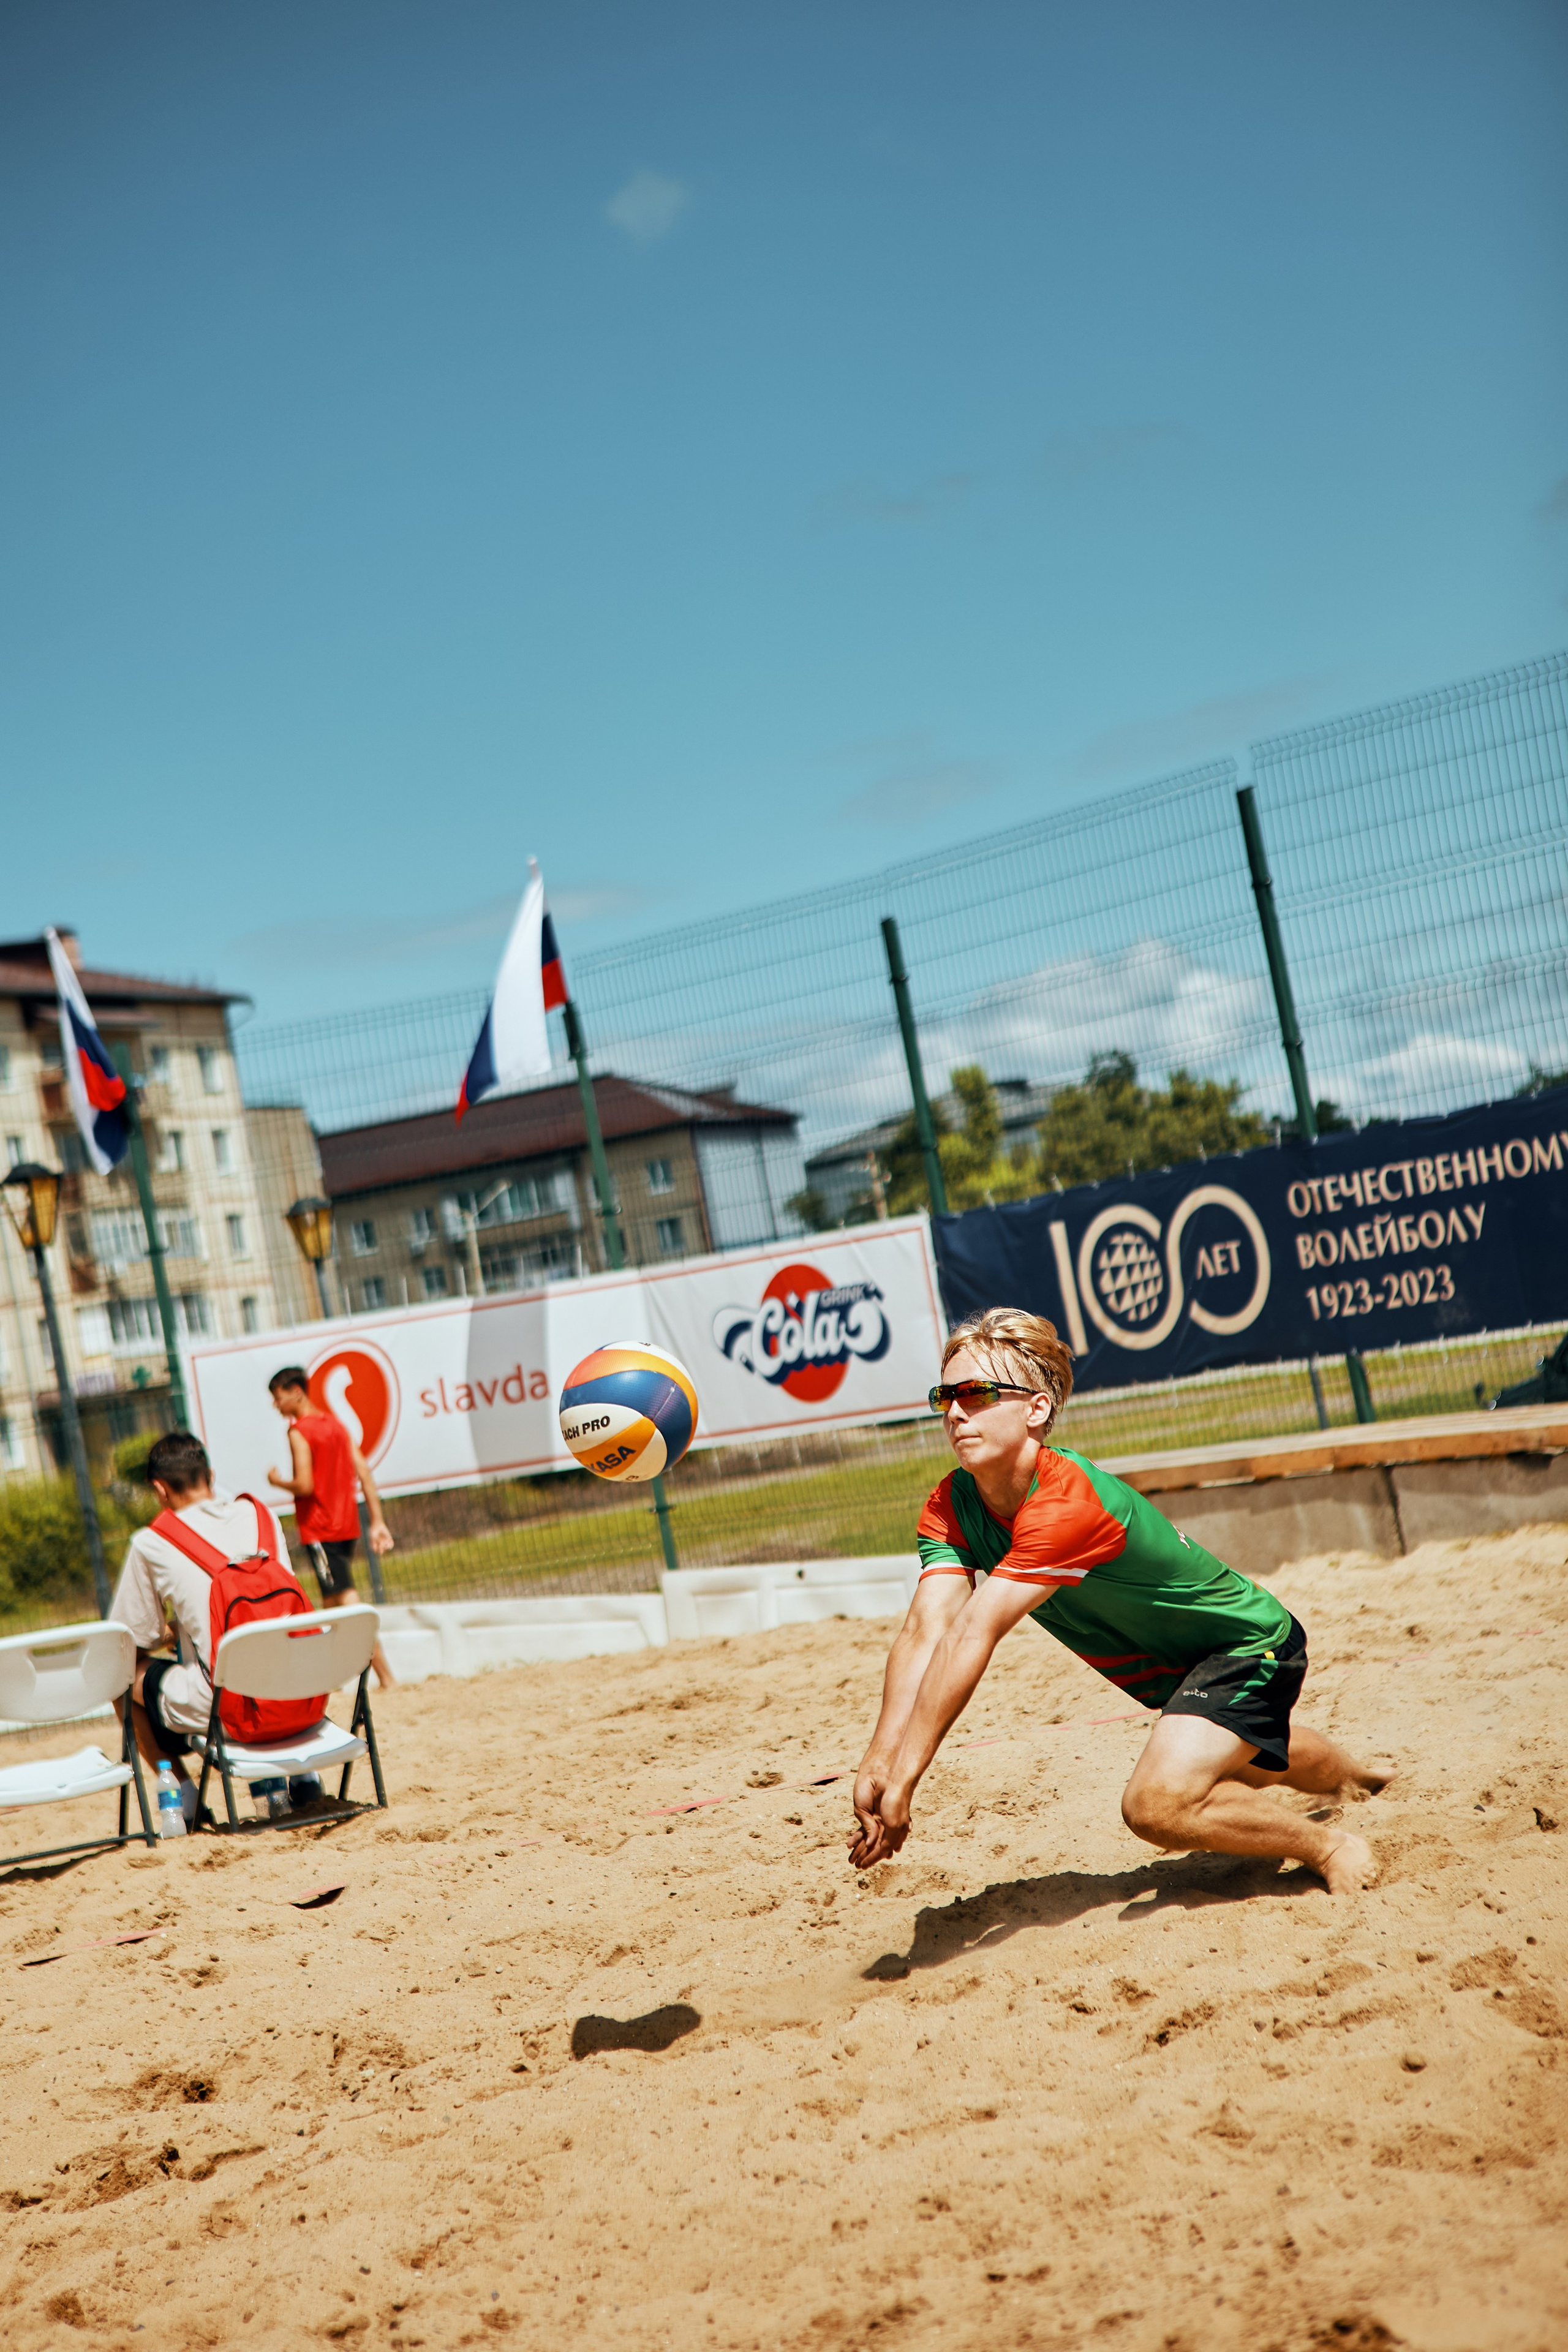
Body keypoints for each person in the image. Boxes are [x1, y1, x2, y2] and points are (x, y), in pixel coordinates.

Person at [849, 1306, 1390, 1896]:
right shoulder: (951, 1502)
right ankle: (1356, 1779)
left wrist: (907, 1775)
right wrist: (881, 1758)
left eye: (977, 1393)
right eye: (945, 1396)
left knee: (1155, 1805)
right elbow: (926, 1630)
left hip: (1247, 1643)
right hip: (1179, 1666)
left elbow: (970, 1634)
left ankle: (1330, 1845)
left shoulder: (1066, 1503)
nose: (956, 1411)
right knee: (1253, 1757)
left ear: (1037, 1409)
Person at [109, 1430, 298, 1822]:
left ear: (160, 1491)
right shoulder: (261, 1515)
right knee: (244, 1652)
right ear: (210, 1477)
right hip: (298, 1689)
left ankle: (185, 1799)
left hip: (228, 1708)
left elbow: (129, 1641)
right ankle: (303, 1776)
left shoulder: (153, 1541)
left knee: (118, 1676)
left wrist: (171, 1633)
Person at [266, 1366, 396, 1687]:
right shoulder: (337, 1425)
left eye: (278, 1398)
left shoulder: (299, 1432)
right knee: (330, 1603)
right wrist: (377, 1521)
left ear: (296, 1393)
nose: (276, 1406)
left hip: (320, 1529)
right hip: (347, 1527)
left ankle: (386, 1676)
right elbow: (364, 1473)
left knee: (346, 1601)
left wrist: (278, 1481)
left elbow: (306, 1485)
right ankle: (330, 1678)